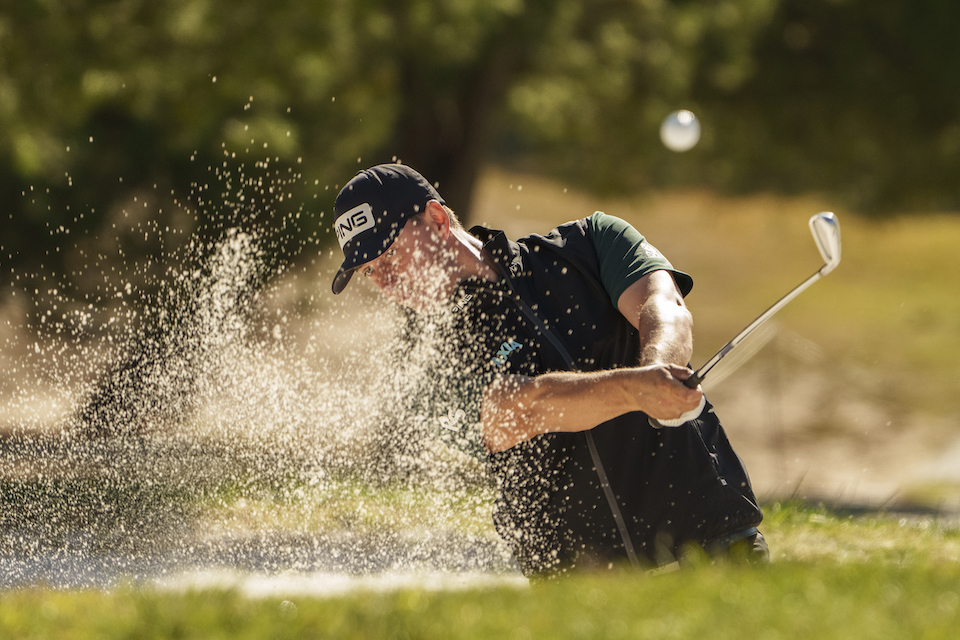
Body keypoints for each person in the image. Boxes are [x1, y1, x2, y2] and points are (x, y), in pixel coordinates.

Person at [330, 163, 767, 577]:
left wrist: (659, 368)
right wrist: (637, 390)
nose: (384, 282)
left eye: (388, 256)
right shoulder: (421, 363)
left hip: (715, 547)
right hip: (582, 593)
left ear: (437, 220)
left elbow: (663, 307)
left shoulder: (591, 243)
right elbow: (520, 409)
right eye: (369, 272)